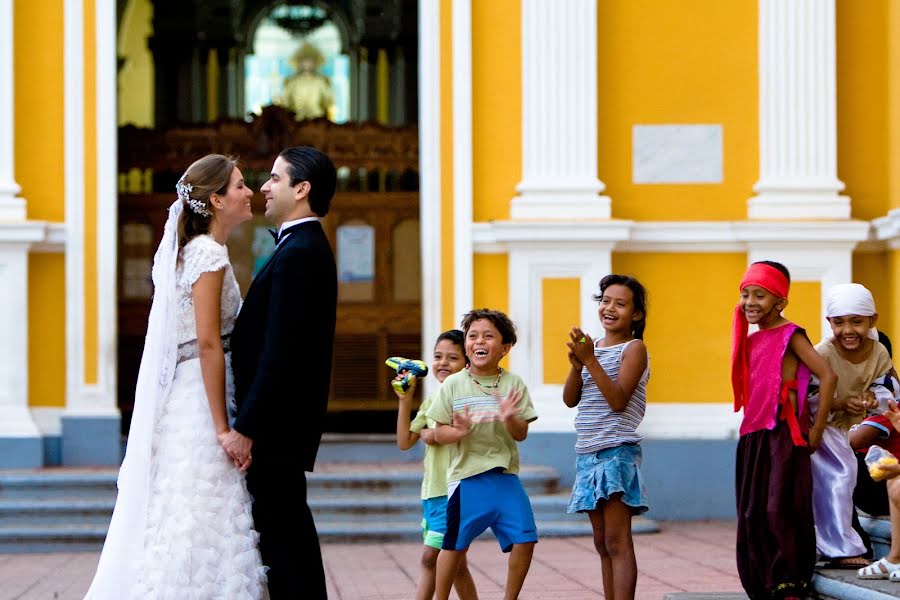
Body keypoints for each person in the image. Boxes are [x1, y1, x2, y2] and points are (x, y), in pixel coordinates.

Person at [85, 155, 267, 598]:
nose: (250, 192)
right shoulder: (207, 253)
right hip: (201, 398)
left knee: (189, 507)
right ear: (217, 200)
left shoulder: (199, 251)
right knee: (201, 507)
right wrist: (223, 428)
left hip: (194, 390)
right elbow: (207, 343)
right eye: (240, 186)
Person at [220, 146, 338, 599]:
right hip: (280, 424)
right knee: (284, 535)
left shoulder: (302, 253)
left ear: (302, 189)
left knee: (286, 540)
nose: (263, 188)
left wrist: (246, 426)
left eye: (274, 178)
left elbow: (281, 352)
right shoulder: (298, 246)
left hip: (276, 427)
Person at [731, 260, 837, 600]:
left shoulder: (791, 334)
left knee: (779, 508)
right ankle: (763, 581)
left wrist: (817, 429)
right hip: (755, 434)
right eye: (745, 294)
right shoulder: (752, 339)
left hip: (782, 433)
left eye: (760, 295)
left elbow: (828, 374)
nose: (750, 302)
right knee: (753, 511)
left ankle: (789, 580)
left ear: (781, 301)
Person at [426, 309, 539, 600]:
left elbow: (520, 433)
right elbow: (438, 432)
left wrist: (511, 416)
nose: (479, 341)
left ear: (505, 348)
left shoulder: (513, 384)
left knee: (526, 538)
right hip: (467, 480)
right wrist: (457, 432)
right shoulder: (453, 385)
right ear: (466, 345)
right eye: (473, 335)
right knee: (453, 546)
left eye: (489, 336)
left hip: (505, 478)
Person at [563, 273, 650, 600]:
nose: (609, 308)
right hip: (588, 453)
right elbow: (571, 399)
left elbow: (617, 400)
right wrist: (576, 365)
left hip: (616, 453)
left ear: (636, 314)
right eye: (605, 300)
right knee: (601, 544)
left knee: (617, 541)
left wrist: (589, 361)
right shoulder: (593, 348)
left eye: (621, 303)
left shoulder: (634, 349)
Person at [807, 283, 896, 570]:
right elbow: (809, 399)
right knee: (841, 477)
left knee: (844, 479)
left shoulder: (879, 351)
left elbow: (886, 388)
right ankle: (840, 548)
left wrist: (872, 398)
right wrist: (842, 404)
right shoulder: (822, 353)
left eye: (857, 322)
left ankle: (838, 543)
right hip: (824, 427)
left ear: (873, 320)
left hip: (851, 426)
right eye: (839, 322)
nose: (848, 330)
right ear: (829, 323)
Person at [394, 329, 478, 600]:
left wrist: (435, 435)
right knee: (456, 565)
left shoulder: (466, 398)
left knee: (432, 558)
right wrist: (405, 401)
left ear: (466, 363)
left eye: (452, 357)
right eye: (438, 356)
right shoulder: (432, 401)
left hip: (454, 492)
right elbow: (405, 441)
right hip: (432, 493)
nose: (442, 363)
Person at [275, 42, 336, 121]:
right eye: (304, 61)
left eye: (309, 61)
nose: (306, 64)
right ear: (299, 62)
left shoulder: (320, 81)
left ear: (315, 62)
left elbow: (328, 101)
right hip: (296, 120)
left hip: (317, 119)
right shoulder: (293, 82)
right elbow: (286, 102)